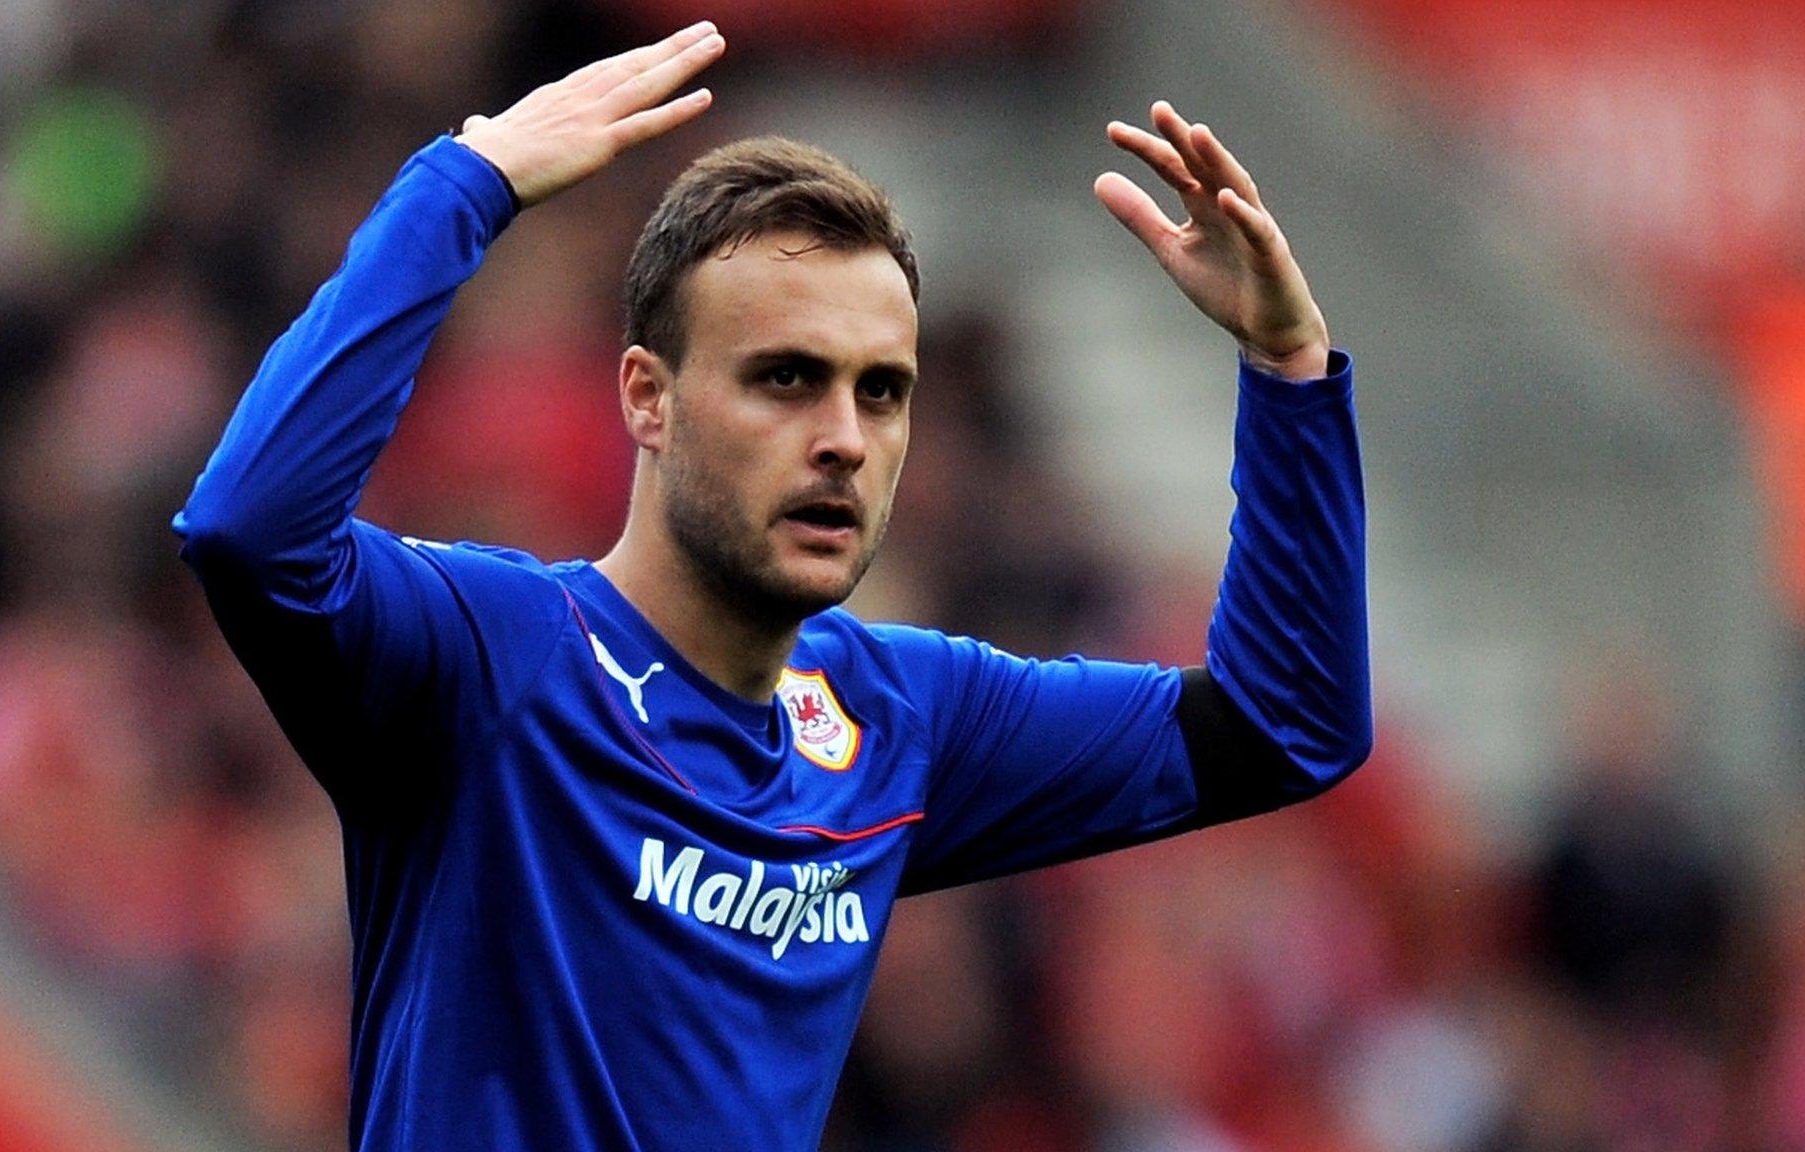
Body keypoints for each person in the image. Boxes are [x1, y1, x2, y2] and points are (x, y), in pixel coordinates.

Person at [174, 20, 1371, 1152]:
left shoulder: (903, 723)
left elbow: (1284, 725)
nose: (844, 437)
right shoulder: (492, 657)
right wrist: (459, 189)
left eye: (880, 391)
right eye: (786, 379)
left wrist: (1287, 371)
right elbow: (250, 530)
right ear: (647, 396)